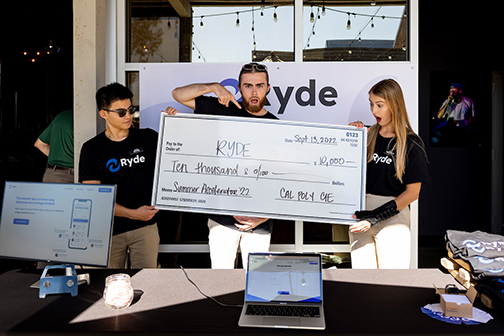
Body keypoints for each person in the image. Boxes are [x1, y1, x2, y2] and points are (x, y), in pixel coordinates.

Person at [170, 62, 277, 269]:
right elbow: (178, 94)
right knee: (221, 281)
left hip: (259, 223)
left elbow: (282, 180)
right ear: (239, 87)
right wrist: (213, 86)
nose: (254, 91)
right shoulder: (221, 108)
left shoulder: (277, 125)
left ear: (268, 88)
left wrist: (264, 217)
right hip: (222, 221)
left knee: (256, 282)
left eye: (259, 85)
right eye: (247, 86)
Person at [79, 82, 177, 268]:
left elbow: (179, 157)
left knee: (146, 283)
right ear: (104, 114)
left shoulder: (148, 138)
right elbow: (94, 198)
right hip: (108, 231)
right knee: (107, 285)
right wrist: (133, 214)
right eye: (121, 112)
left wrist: (175, 125)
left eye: (131, 110)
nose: (129, 116)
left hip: (145, 228)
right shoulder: (92, 149)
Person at [349, 79, 429, 269]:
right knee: (361, 282)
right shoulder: (366, 135)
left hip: (393, 217)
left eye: (379, 105)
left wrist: (376, 217)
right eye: (371, 104)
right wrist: (350, 137)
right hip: (360, 214)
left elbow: (413, 193)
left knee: (391, 283)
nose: (374, 111)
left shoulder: (412, 143)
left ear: (394, 104)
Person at [34, 109, 74, 183]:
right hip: (69, 176)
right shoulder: (84, 119)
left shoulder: (61, 116)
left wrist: (59, 156)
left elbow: (39, 144)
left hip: (50, 174)